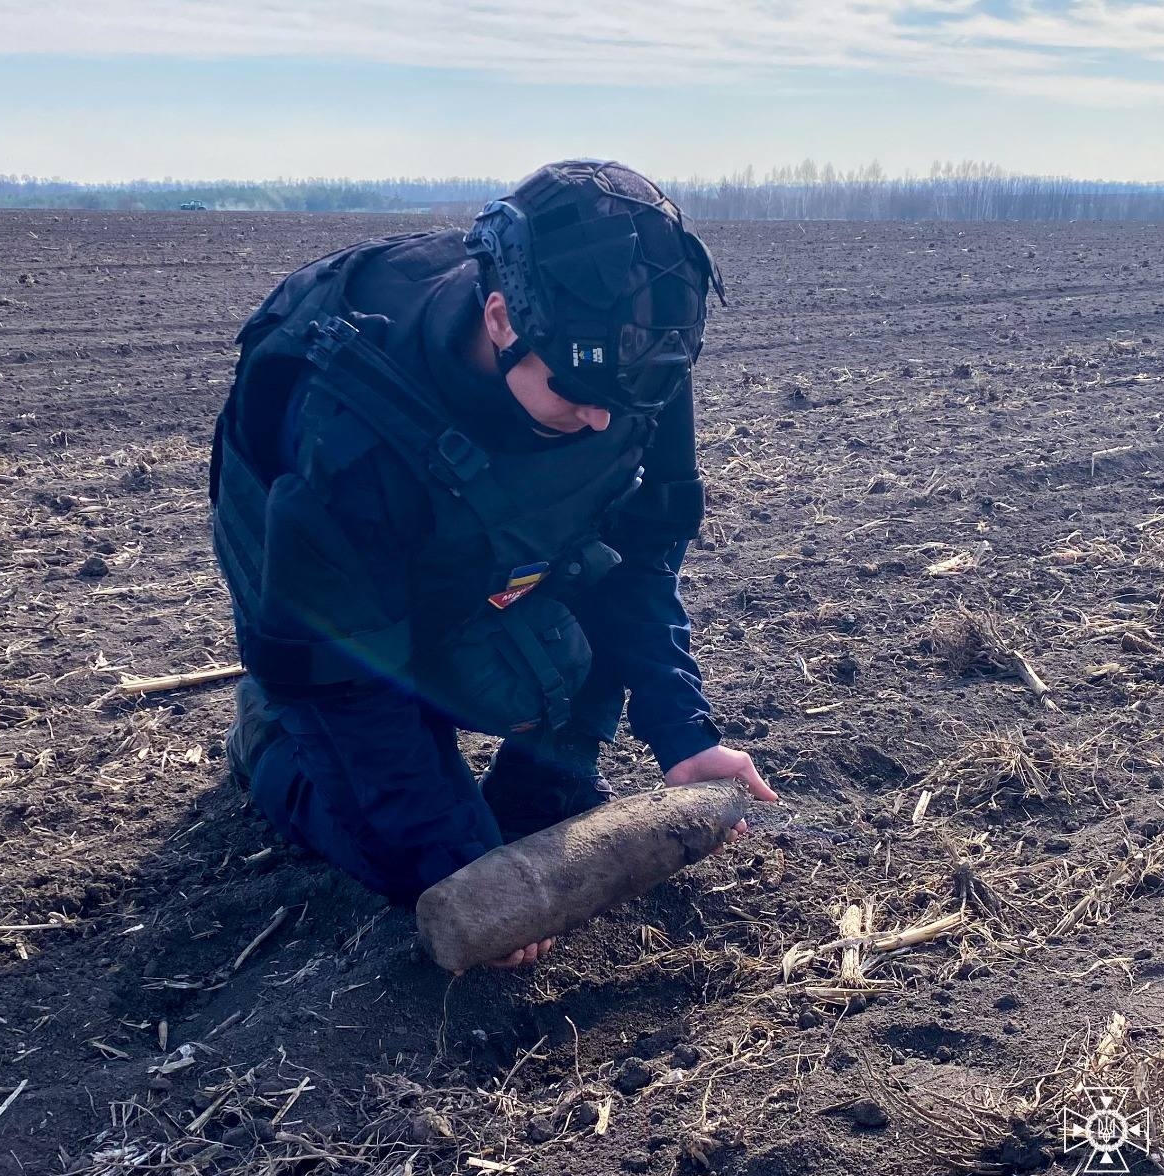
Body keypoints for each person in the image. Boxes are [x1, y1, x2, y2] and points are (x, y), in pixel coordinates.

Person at [209, 159, 776, 967]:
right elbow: (344, 679)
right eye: (576, 393)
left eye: (627, 398)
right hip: (313, 590)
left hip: (479, 537)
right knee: (398, 853)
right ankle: (265, 736)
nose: (601, 417)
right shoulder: (352, 433)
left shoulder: (628, 360)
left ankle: (534, 784)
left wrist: (681, 731)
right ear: (503, 320)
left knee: (567, 642)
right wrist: (450, 852)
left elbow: (639, 561)